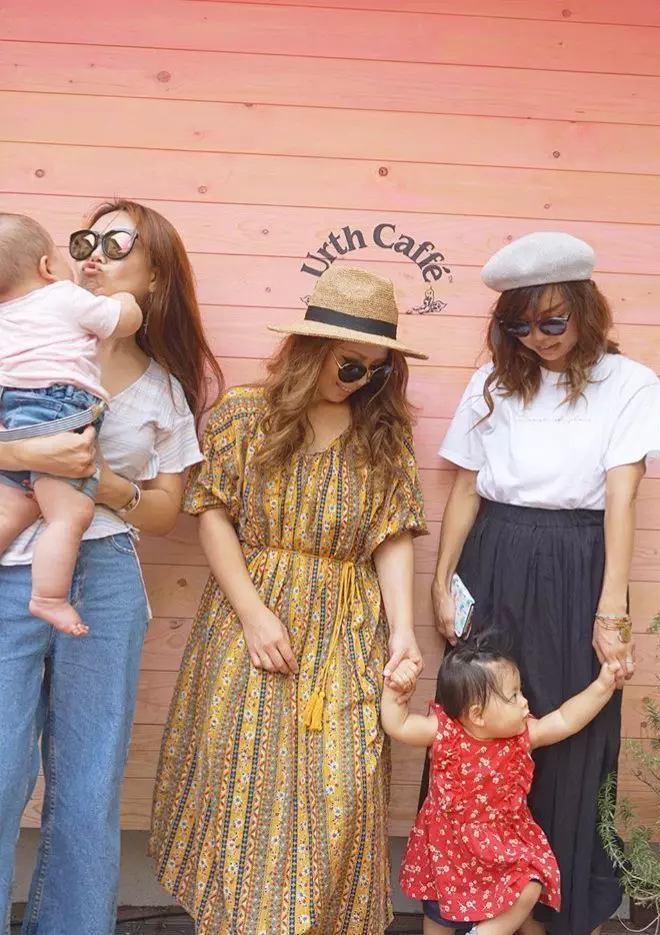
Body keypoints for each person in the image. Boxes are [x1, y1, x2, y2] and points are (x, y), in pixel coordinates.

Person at [150, 266, 428, 935]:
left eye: (377, 371)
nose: (361, 380)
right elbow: (212, 513)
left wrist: (403, 631)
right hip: (252, 611)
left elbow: (392, 534)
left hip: (347, 623)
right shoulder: (246, 414)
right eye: (351, 365)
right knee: (241, 781)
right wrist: (253, 613)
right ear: (311, 350)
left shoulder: (382, 432)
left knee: (344, 786)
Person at [430, 232, 660, 935]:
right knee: (475, 724)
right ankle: (469, 902)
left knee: (567, 730)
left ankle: (553, 909)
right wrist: (442, 580)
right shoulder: (492, 382)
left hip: (578, 562)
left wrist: (611, 608)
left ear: (587, 310)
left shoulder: (630, 383)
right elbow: (466, 488)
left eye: (552, 321)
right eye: (520, 327)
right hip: (494, 554)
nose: (537, 339)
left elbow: (622, 496)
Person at [0, 199, 223, 935]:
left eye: (118, 244)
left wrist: (100, 483)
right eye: (86, 240)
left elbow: (163, 512)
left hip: (105, 581)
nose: (94, 253)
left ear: (155, 278)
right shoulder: (15, 336)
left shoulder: (163, 390)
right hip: (9, 575)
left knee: (90, 784)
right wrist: (31, 453)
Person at [383, 640, 620, 935]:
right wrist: (395, 691)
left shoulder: (522, 737)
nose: (525, 702)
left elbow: (564, 719)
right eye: (513, 696)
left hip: (501, 846)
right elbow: (399, 725)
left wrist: (602, 687)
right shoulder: (445, 733)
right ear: (477, 715)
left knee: (531, 884)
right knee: (439, 913)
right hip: (448, 849)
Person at [0, 213, 142, 635]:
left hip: (12, 418)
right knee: (70, 514)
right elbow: (122, 321)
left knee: (10, 509)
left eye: (117, 245)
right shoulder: (63, 295)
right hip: (57, 414)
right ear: (47, 267)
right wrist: (127, 300)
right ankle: (48, 597)